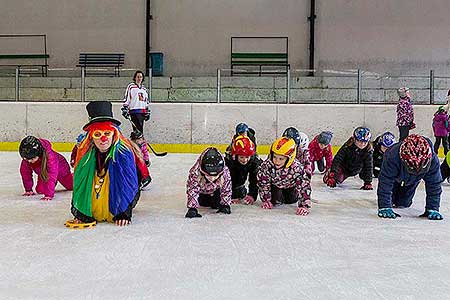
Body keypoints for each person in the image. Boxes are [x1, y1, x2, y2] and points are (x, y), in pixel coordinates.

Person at [67, 101, 144, 227]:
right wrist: (81, 213)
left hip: (119, 197)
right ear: (91, 137)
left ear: (114, 134)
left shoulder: (124, 153)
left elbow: (128, 184)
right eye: (98, 134)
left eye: (107, 133)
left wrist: (123, 213)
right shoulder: (84, 154)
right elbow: (80, 184)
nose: (103, 139)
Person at [377, 134, 443, 220]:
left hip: (413, 181)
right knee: (391, 200)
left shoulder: (433, 161)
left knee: (403, 203)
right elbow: (385, 181)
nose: (416, 170)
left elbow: (434, 184)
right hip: (396, 178)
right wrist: (384, 206)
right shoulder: (392, 156)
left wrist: (433, 208)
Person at [257, 137, 311, 216]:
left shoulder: (296, 168)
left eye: (281, 159)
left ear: (289, 158)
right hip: (275, 186)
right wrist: (266, 200)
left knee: (291, 200)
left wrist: (304, 206)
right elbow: (263, 182)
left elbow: (304, 186)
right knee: (275, 202)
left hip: (290, 187)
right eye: (274, 157)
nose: (276, 161)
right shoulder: (267, 165)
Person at [19, 136, 73, 201]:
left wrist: (48, 195)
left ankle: (75, 176)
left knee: (71, 186)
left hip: (61, 168)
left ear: (39, 153)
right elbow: (25, 173)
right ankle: (53, 183)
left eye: (32, 159)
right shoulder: (27, 157)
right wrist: (28, 189)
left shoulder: (50, 158)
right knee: (40, 190)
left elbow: (51, 175)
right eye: (26, 159)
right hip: (43, 172)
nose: (29, 161)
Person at [185, 147, 232, 218]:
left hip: (216, 190)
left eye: (215, 176)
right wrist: (192, 208)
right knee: (204, 203)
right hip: (203, 191)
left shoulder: (225, 172)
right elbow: (192, 189)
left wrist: (225, 205)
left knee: (216, 205)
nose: (212, 179)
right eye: (208, 175)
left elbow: (227, 189)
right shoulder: (195, 173)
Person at [225, 135, 260, 205]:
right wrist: (230, 195)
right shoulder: (229, 161)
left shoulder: (254, 161)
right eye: (241, 157)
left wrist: (252, 195)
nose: (245, 160)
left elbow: (254, 180)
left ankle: (240, 190)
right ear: (235, 155)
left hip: (240, 183)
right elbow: (226, 180)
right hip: (232, 182)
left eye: (247, 157)